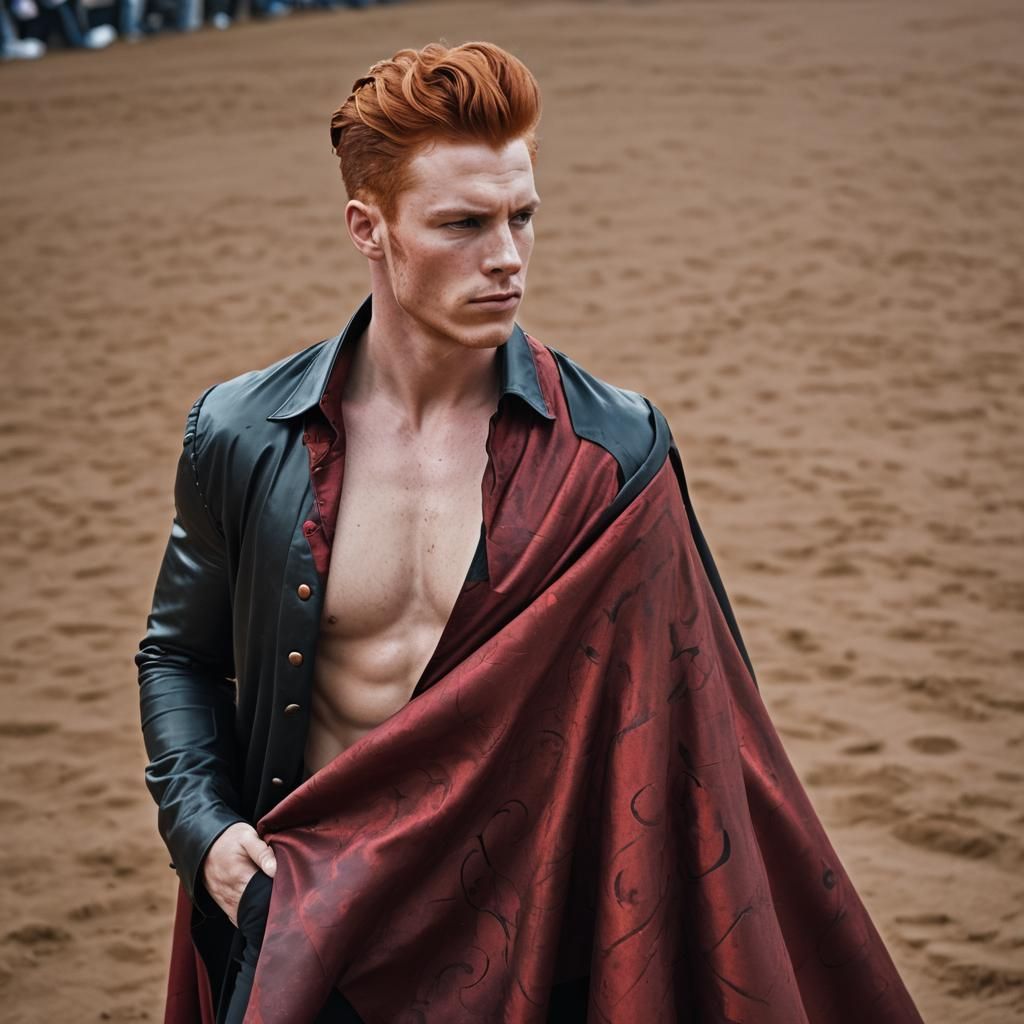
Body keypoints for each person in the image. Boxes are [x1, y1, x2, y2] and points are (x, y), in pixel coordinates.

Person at [136, 41, 926, 1024]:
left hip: (537, 943)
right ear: (366, 228)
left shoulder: (616, 451)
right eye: (462, 224)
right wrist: (205, 832)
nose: (505, 256)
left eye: (522, 217)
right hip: (317, 929)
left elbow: (698, 722)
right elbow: (178, 652)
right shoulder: (242, 435)